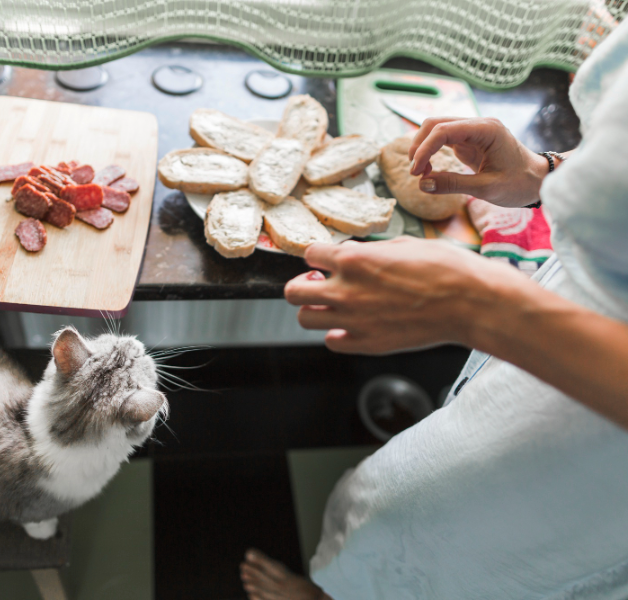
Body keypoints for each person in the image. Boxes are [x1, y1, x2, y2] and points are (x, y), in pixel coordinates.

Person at [240, 17, 628, 600]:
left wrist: (481, 307)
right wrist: (543, 171)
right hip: (558, 339)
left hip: (603, 456)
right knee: (401, 520)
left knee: (467, 558)